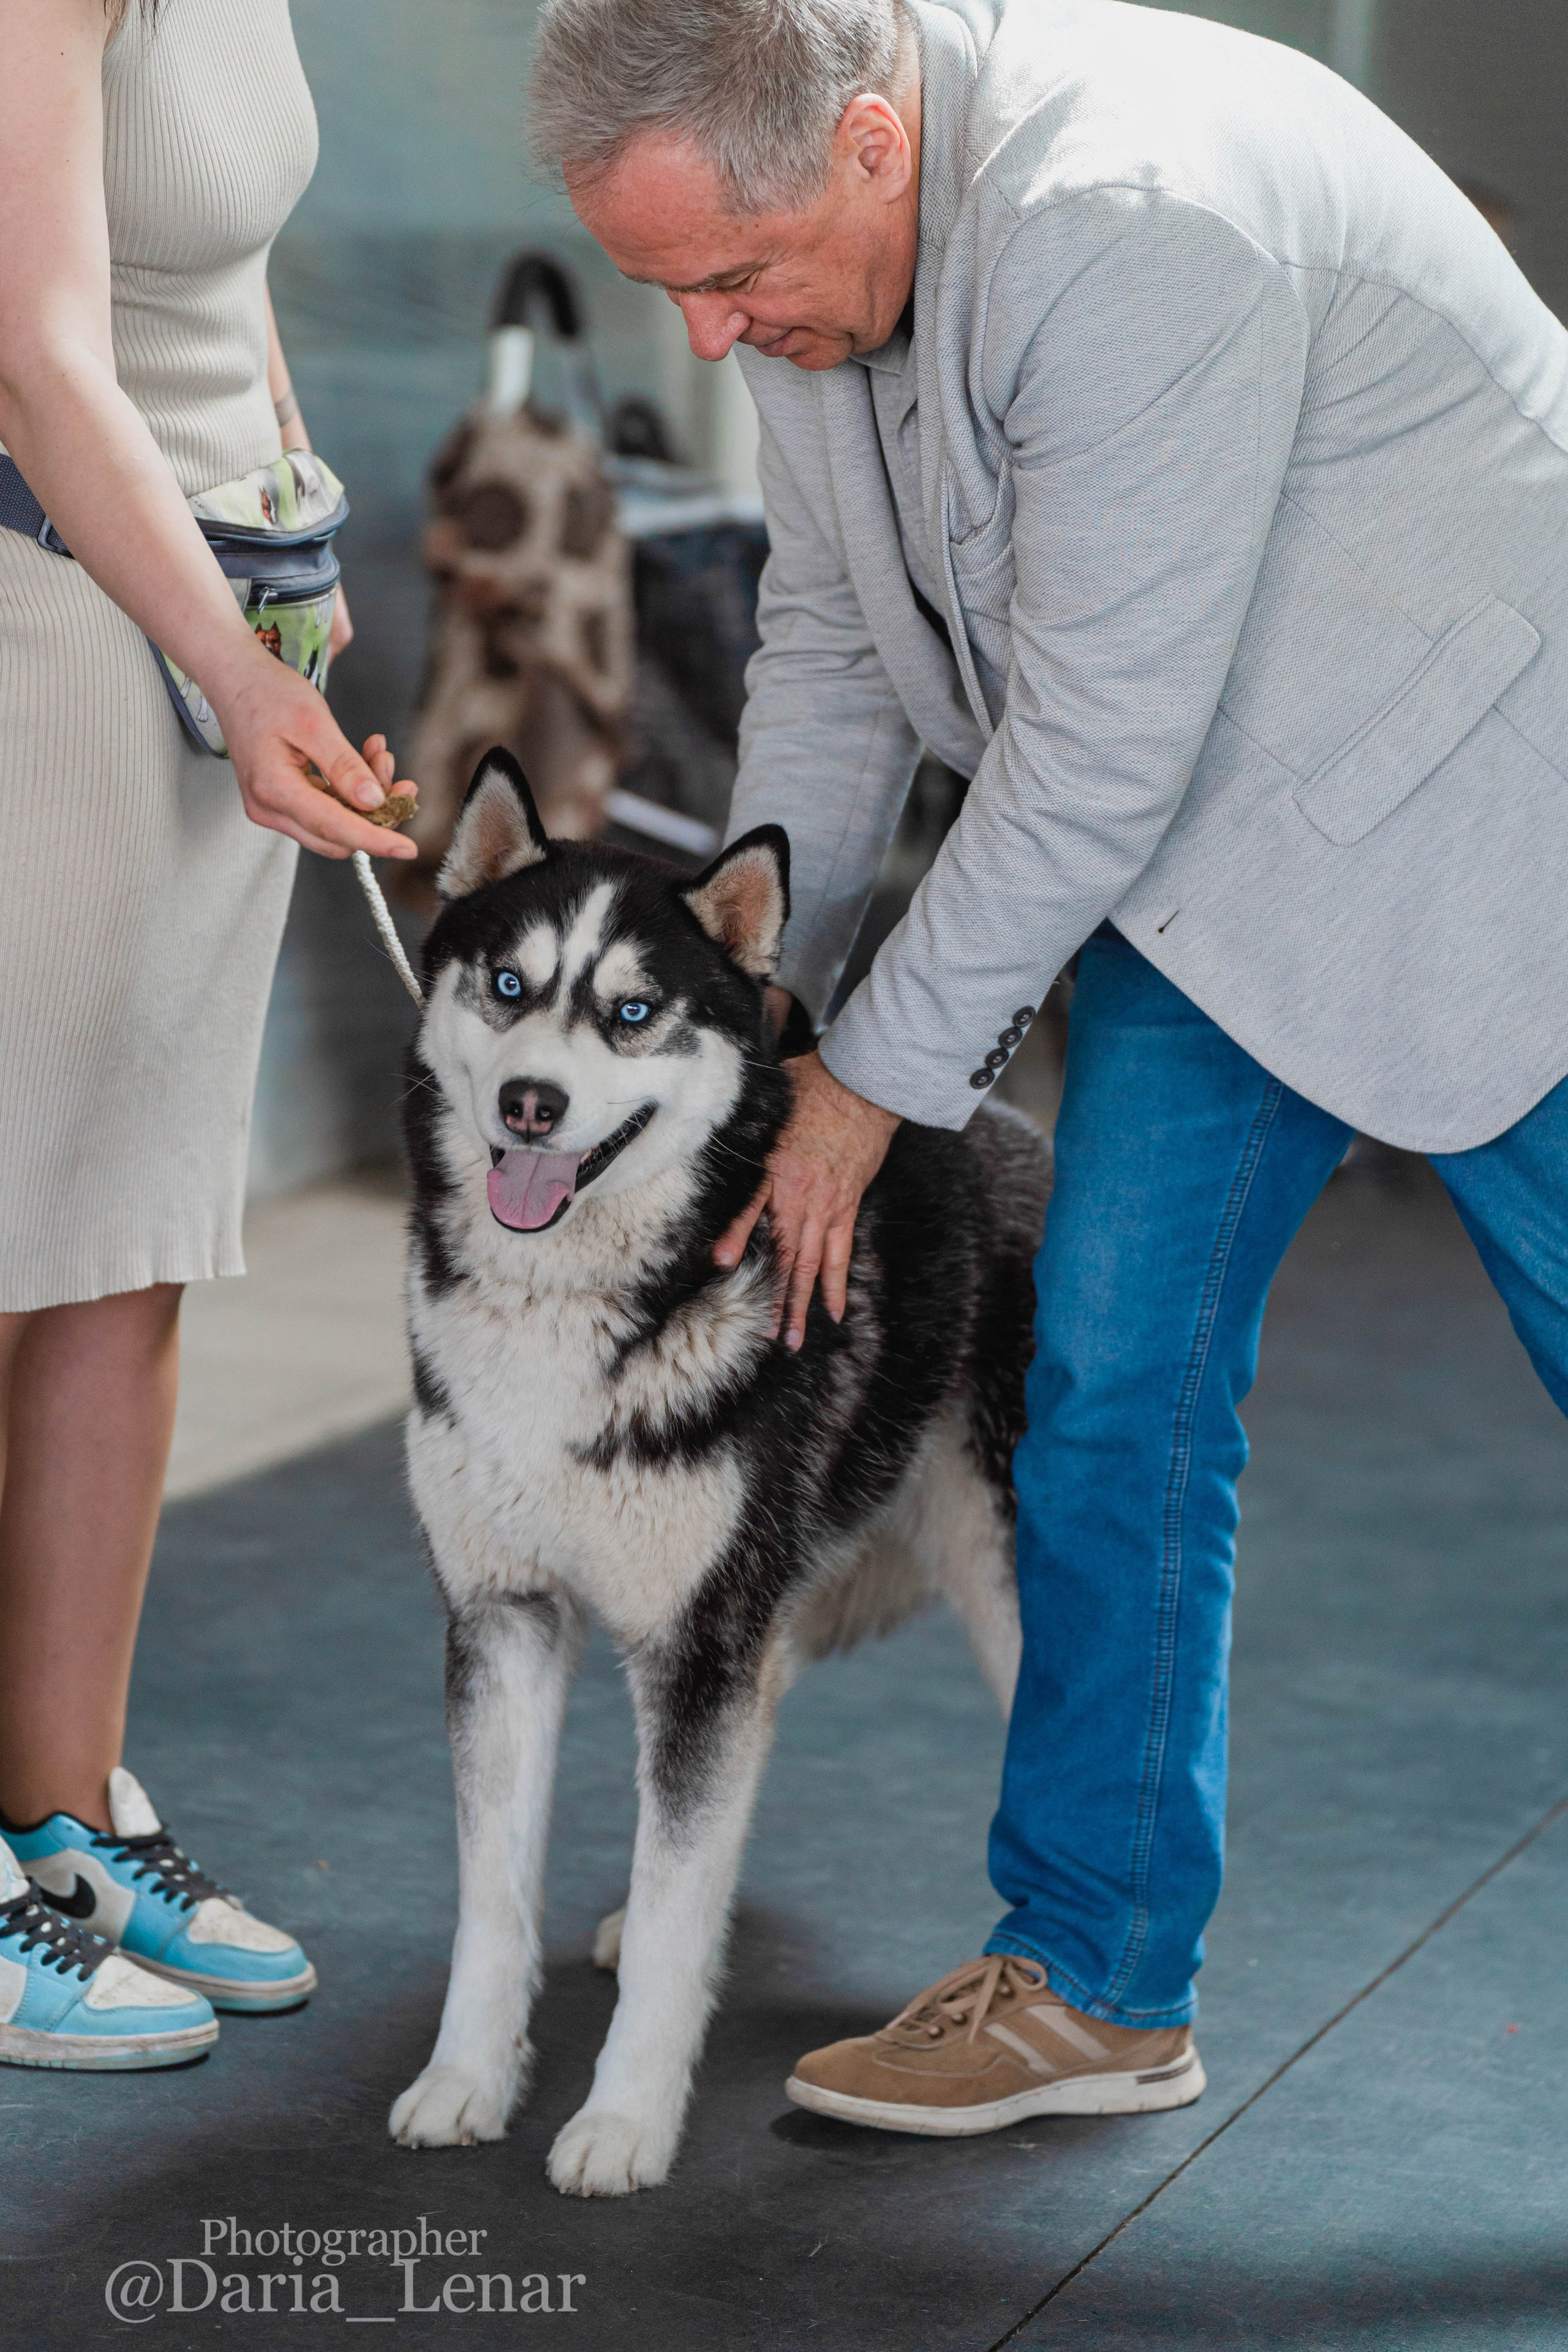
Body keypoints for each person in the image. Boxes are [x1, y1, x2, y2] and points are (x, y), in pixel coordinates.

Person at [532, 0, 1568, 2133]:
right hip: (1212, 851)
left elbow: (1090, 749)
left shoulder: (1129, 213)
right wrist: (758, 1022)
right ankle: (1092, 1976)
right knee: (1109, 1387)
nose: (708, 345)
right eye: (669, 298)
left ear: (878, 144)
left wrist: (864, 1092)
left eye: (730, 282)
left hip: (1494, 808)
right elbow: (830, 659)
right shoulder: (814, 275)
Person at [0, 0, 418, 2069]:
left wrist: (297, 533)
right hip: (49, 614)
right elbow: (41, 350)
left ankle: (63, 1818)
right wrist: (227, 658)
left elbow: (222, 288)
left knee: (127, 1237)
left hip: (210, 606)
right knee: (4, 1231)